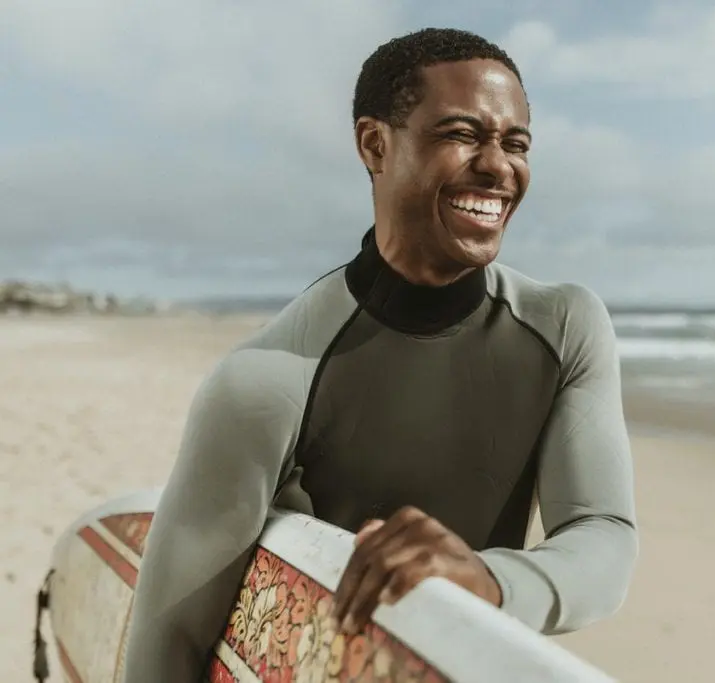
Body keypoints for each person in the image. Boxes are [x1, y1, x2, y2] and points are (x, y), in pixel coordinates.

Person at [120, 27, 638, 681]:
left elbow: (603, 535)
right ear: (375, 144)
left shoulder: (564, 326)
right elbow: (168, 643)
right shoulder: (269, 381)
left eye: (516, 143)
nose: (497, 166)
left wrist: (486, 578)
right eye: (461, 134)